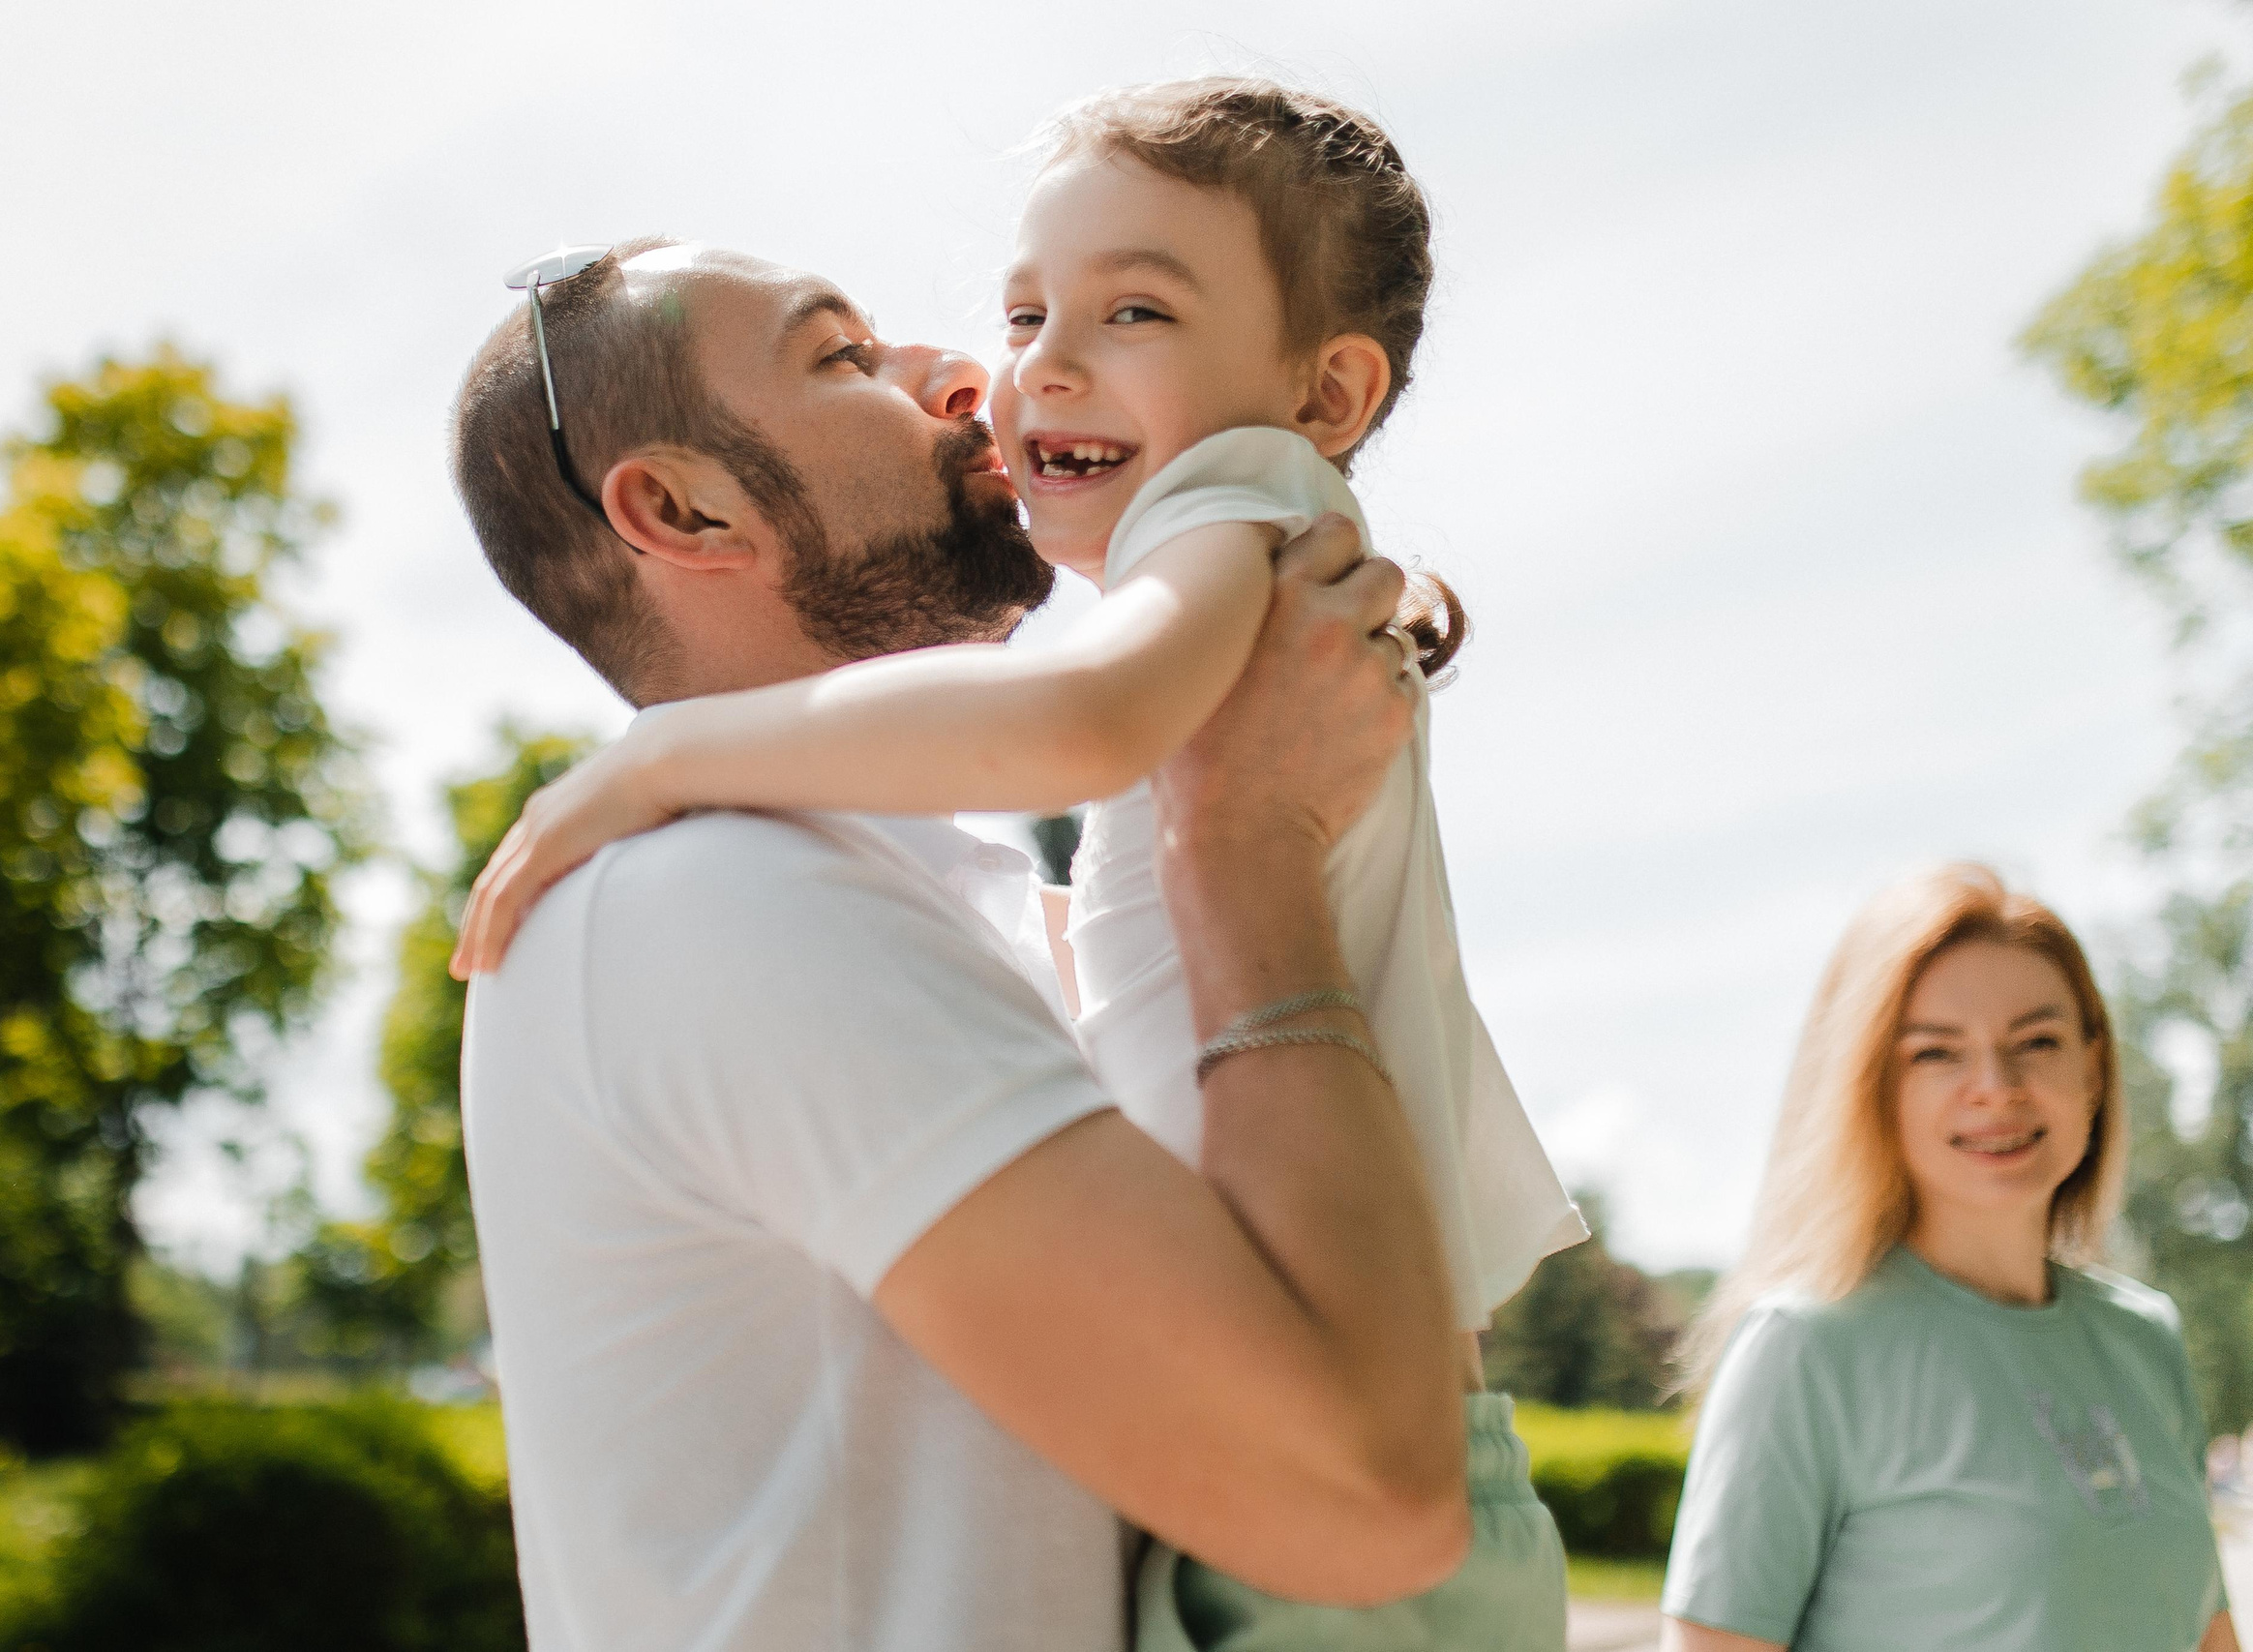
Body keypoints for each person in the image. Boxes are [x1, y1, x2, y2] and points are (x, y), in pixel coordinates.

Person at [452, 79, 1581, 1650]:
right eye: (845, 355)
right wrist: (1243, 843)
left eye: (1126, 308)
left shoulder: (933, 894)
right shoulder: (710, 901)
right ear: (684, 505)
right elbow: (1367, 1507)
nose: (976, 371)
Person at [1661, 864, 2237, 1652]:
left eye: (2037, 1041)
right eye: (1937, 1053)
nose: (1995, 1087)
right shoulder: (1806, 1348)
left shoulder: (2145, 1338)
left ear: (2093, 1066)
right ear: (1871, 1084)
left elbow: (2207, 1634)